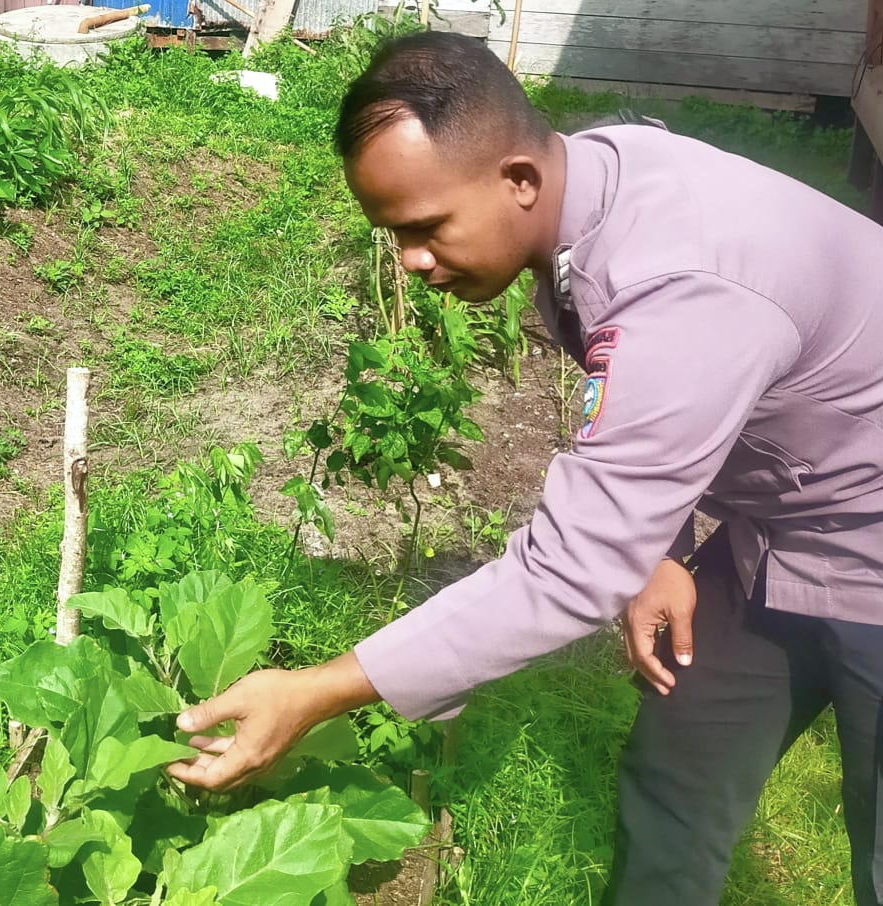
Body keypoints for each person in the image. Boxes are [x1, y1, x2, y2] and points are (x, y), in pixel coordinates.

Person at [165, 30, 883, 906]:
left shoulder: (683, 281)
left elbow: (572, 570)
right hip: (777, 532)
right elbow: (675, 409)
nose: (410, 262)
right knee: (678, 785)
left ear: (518, 180)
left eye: (426, 227)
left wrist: (317, 691)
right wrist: (659, 546)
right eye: (393, 235)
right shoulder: (593, 185)